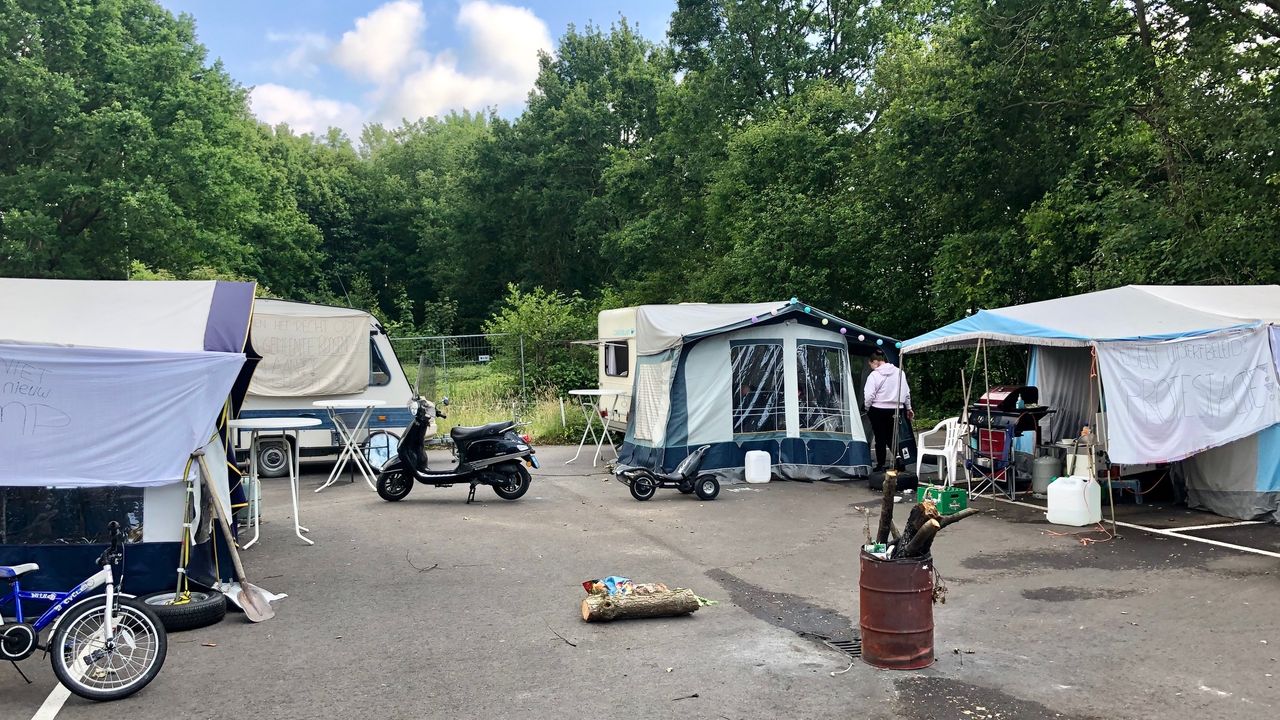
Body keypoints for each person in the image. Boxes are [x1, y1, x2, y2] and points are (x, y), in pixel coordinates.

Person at [863, 349, 913, 471]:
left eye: (871, 365)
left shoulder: (874, 375)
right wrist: (909, 408)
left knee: (880, 437)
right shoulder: (900, 372)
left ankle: (880, 465)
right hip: (896, 409)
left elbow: (869, 395)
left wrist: (867, 407)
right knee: (893, 436)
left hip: (878, 408)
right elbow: (906, 393)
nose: (871, 368)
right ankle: (899, 459)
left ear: (875, 362)